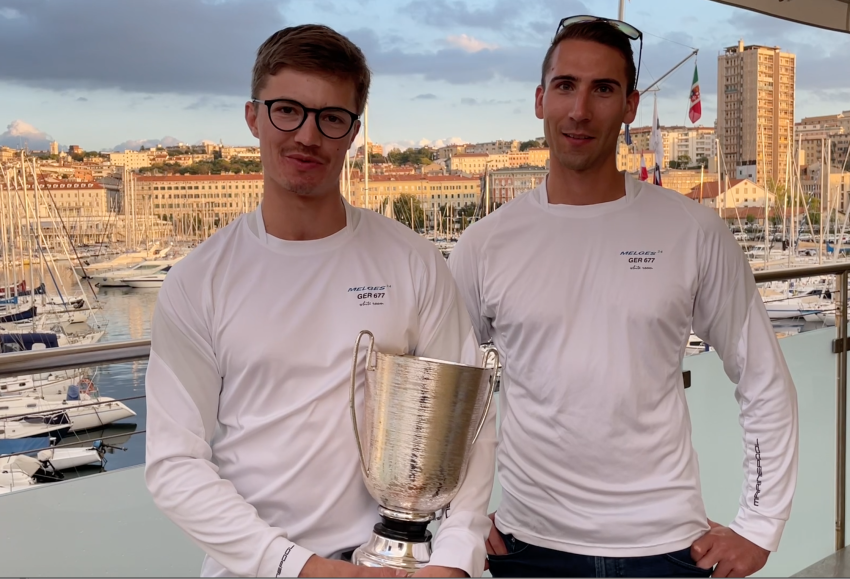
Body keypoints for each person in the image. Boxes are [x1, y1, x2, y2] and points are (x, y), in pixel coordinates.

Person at [448, 16, 798, 579]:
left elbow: (763, 378)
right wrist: (454, 516)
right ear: (540, 99)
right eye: (565, 86)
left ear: (631, 105)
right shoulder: (486, 243)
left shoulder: (692, 231)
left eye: (603, 89)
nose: (580, 110)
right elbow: (441, 389)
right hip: (528, 547)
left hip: (667, 547)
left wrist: (760, 526)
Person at [145, 24, 495, 578]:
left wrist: (453, 559)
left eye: (331, 118)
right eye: (288, 110)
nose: (307, 136)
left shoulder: (412, 260)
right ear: (253, 116)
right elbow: (174, 464)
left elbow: (470, 417)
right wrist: (302, 568)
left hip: (399, 564)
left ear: (353, 133)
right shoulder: (198, 280)